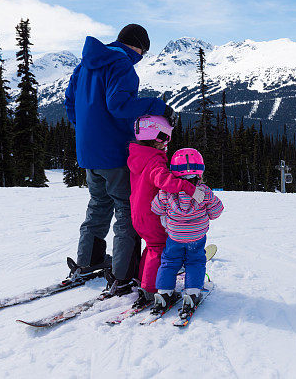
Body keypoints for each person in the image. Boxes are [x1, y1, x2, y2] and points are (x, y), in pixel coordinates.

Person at [65, 24, 178, 297]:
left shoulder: (86, 64)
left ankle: (87, 261)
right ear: (139, 46)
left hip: (89, 152)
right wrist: (158, 106)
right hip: (115, 152)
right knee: (127, 211)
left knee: (98, 205)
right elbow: (119, 106)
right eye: (144, 52)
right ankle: (122, 275)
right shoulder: (122, 65)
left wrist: (88, 132)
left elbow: (70, 103)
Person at [127, 115, 204, 308]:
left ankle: (144, 281)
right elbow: (165, 182)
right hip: (152, 213)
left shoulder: (138, 156)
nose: (167, 144)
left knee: (151, 247)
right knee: (158, 248)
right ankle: (152, 289)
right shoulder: (154, 161)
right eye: (165, 139)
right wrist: (189, 188)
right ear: (156, 137)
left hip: (138, 213)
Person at [151, 148, 223, 317]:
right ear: (200, 172)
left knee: (169, 262)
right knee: (195, 262)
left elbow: (155, 208)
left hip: (174, 236)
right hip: (196, 237)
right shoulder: (204, 192)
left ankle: (164, 293)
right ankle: (191, 293)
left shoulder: (166, 191)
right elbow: (217, 211)